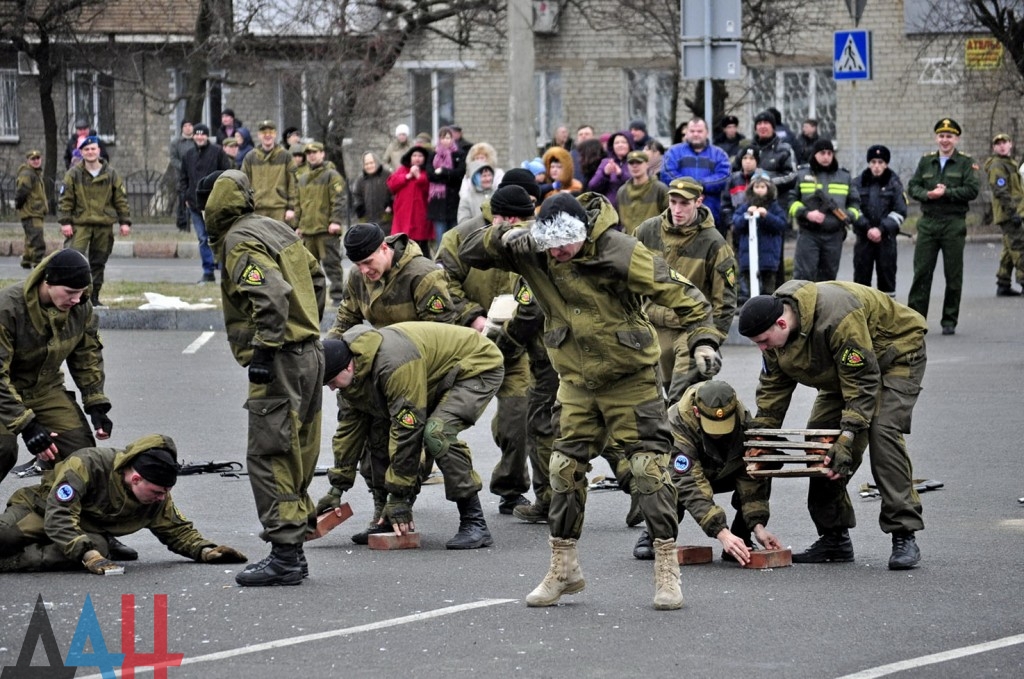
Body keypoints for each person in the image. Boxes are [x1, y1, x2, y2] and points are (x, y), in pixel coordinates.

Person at [459, 191, 724, 610]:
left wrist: (706, 341)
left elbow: (686, 296)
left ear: (583, 234)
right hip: (576, 380)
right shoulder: (537, 247)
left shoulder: (621, 252)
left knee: (648, 469)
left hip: (630, 378)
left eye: (567, 244)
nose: (559, 253)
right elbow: (468, 248)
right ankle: (564, 569)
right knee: (563, 469)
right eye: (552, 245)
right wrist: (507, 236)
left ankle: (666, 569)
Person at [737, 282, 927, 570]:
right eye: (758, 344)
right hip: (844, 371)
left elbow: (862, 382)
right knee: (821, 445)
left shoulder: (838, 317)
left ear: (781, 322)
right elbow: (773, 388)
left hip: (894, 356)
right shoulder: (773, 331)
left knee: (882, 434)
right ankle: (834, 537)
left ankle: (904, 532)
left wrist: (848, 436)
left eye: (764, 340)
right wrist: (763, 436)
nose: (762, 348)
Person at [201, 169, 326, 586]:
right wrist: (307, 323)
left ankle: (285, 554)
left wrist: (267, 347)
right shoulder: (275, 227)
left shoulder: (238, 239)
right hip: (310, 354)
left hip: (281, 361)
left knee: (269, 453)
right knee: (297, 451)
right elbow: (318, 278)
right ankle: (293, 551)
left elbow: (271, 294)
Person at [318, 223, 460, 534]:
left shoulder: (422, 274)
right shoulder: (358, 277)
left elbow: (444, 331)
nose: (364, 270)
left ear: (386, 248)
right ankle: (382, 510)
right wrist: (326, 363)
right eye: (357, 264)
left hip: (427, 367)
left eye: (368, 262)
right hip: (381, 365)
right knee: (370, 437)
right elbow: (344, 322)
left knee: (417, 439)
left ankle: (408, 503)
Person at [321, 323, 503, 549]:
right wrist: (337, 487)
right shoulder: (351, 382)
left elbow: (407, 432)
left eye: (331, 381)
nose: (331, 388)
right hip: (430, 375)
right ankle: (385, 517)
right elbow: (349, 433)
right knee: (376, 432)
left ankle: (474, 522)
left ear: (348, 368)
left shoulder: (394, 365)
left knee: (437, 433)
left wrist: (399, 496)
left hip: (474, 365)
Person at [0, 434, 247, 573]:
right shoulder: (88, 464)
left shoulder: (155, 493)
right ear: (136, 478)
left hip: (82, 529)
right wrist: (89, 555)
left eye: (167, 491)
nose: (162, 497)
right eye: (158, 491)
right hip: (40, 510)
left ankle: (11, 563)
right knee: (5, 537)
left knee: (97, 546)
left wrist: (205, 550)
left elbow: (176, 529)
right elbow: (59, 515)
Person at [438, 185, 538, 517]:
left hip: (514, 344)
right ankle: (408, 482)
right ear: (502, 214)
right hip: (468, 345)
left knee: (517, 417)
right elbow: (444, 282)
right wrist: (472, 316)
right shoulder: (461, 237)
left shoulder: (530, 234)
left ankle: (510, 488)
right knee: (439, 417)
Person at [633, 381, 780, 564]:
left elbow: (748, 475)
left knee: (759, 468)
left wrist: (758, 526)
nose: (719, 433)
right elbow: (688, 483)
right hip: (684, 475)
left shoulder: (742, 420)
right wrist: (721, 532)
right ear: (696, 412)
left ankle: (742, 538)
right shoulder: (676, 423)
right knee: (665, 483)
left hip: (721, 469)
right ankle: (656, 534)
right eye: (713, 425)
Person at [0, 250, 112, 486]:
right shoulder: (8, 309)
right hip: (4, 390)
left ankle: (52, 512)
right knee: (4, 448)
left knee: (81, 455)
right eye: (70, 292)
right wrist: (27, 426)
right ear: (48, 281)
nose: (76, 299)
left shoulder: (80, 307)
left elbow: (87, 355)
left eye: (81, 292)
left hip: (44, 388)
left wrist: (96, 404)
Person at [635, 177, 736, 403]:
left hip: (690, 329)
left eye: (685, 203)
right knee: (647, 400)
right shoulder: (647, 231)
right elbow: (626, 277)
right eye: (673, 202)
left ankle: (683, 435)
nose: (677, 209)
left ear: (698, 202)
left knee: (681, 399)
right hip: (652, 325)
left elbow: (725, 301)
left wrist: (709, 342)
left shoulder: (714, 243)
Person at [907, 118, 980, 335]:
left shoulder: (966, 163)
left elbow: (972, 190)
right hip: (928, 222)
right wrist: (928, 194)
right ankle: (915, 321)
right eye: (941, 136)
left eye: (949, 136)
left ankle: (949, 319)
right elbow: (913, 187)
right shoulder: (926, 161)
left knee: (953, 274)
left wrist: (946, 192)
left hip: (953, 223)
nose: (945, 140)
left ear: (956, 139)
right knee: (921, 272)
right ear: (936, 138)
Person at [57, 135, 131, 307]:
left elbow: (120, 199)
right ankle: (73, 297)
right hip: (80, 224)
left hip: (103, 225)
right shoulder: (74, 174)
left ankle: (94, 297)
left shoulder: (111, 174)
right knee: (74, 259)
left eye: (93, 149)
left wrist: (124, 221)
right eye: (86, 149)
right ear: (81, 152)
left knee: (98, 262)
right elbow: (65, 199)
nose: (90, 152)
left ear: (99, 151)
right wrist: (65, 222)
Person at [789, 139, 861, 282]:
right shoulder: (802, 175)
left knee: (828, 279)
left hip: (834, 235)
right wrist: (807, 214)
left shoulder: (844, 176)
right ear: (815, 154)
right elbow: (791, 202)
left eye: (829, 153)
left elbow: (855, 202)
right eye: (822, 153)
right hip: (809, 234)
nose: (826, 156)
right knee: (804, 277)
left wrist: (849, 215)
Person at [178, 123, 234, 284]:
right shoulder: (188, 155)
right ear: (193, 136)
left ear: (207, 136)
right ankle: (208, 271)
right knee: (203, 238)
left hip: (215, 205)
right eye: (197, 134)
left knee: (220, 237)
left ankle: (225, 271)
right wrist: (186, 198)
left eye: (203, 134)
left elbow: (227, 174)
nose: (200, 137)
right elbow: (183, 179)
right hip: (195, 205)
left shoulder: (217, 153)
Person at [852, 145, 908, 297]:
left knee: (887, 280)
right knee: (861, 281)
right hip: (864, 239)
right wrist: (867, 227)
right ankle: (862, 316)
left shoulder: (894, 184)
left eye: (881, 162)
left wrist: (881, 229)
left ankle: (887, 317)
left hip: (886, 240)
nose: (877, 166)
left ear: (886, 164)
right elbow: (853, 208)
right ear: (869, 163)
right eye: (874, 162)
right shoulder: (858, 183)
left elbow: (901, 211)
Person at [294, 141, 346, 304]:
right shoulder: (302, 178)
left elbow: (339, 200)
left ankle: (337, 296)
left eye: (315, 152)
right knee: (308, 268)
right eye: (309, 153)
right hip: (308, 231)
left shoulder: (332, 175)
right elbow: (298, 203)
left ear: (322, 154)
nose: (312, 155)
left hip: (326, 229)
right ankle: (311, 297)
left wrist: (335, 221)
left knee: (332, 265)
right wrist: (297, 225)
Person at [661, 118, 731, 227]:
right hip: (679, 216)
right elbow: (667, 173)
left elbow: (724, 177)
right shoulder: (673, 152)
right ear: (686, 133)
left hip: (711, 214)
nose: (695, 134)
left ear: (707, 133)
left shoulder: (719, 154)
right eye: (692, 131)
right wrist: (690, 189)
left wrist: (700, 186)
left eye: (699, 131)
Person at [731, 170, 787, 304]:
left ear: (769, 189)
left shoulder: (774, 207)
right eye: (757, 187)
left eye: (763, 187)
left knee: (768, 293)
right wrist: (747, 215)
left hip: (769, 259)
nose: (759, 190)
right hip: (748, 258)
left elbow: (781, 225)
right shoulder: (745, 207)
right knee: (751, 292)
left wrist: (766, 216)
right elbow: (736, 224)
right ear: (751, 189)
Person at [983, 133, 1024, 297]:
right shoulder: (998, 165)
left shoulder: (1010, 164)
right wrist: (1013, 212)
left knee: (1010, 248)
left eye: (1004, 142)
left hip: (1016, 212)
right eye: (998, 143)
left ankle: (1003, 283)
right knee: (1019, 247)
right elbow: (1001, 191)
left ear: (1010, 144)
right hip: (1009, 214)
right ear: (994, 147)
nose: (1002, 146)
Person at [241, 119, 298, 222]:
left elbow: (292, 183)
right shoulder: (250, 157)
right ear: (258, 135)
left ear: (275, 134)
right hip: (256, 209)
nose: (267, 135)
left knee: (278, 238)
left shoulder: (285, 156)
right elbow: (243, 184)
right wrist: (245, 206)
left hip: (279, 209)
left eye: (270, 132)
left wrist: (291, 208)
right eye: (264, 132)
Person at [387, 146, 434, 256]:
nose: (417, 158)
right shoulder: (403, 169)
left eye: (420, 156)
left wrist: (418, 177)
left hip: (420, 216)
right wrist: (407, 176)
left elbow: (429, 189)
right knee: (402, 248)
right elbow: (391, 184)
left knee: (421, 249)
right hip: (403, 216)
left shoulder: (427, 171)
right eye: (414, 155)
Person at [426, 127, 466, 246]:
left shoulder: (459, 154)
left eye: (448, 137)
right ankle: (440, 263)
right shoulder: (434, 155)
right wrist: (449, 175)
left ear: (452, 139)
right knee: (441, 238)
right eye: (443, 138)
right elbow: (430, 175)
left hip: (454, 201)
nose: (446, 141)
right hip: (438, 203)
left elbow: (459, 174)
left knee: (454, 238)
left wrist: (443, 172)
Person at [616, 150, 669, 234]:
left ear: (647, 164)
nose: (635, 166)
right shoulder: (622, 192)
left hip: (653, 242)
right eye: (631, 163)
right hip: (629, 242)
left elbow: (669, 218)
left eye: (639, 162)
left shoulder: (660, 189)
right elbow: (618, 222)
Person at [14, 149, 47, 269]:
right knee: (37, 239)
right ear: (28, 160)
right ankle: (38, 264)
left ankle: (26, 260)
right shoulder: (28, 174)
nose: (36, 161)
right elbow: (22, 192)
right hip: (31, 211)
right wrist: (18, 205)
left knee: (30, 237)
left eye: (38, 158)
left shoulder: (34, 173)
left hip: (34, 211)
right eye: (33, 159)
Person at [722, 146, 761, 242]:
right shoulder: (733, 180)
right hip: (737, 228)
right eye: (745, 158)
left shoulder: (763, 179)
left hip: (759, 229)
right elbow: (726, 205)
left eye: (752, 158)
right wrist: (731, 224)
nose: (748, 161)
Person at [587, 130, 634, 207]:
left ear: (630, 144)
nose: (620, 145)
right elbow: (592, 186)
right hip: (610, 209)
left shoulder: (635, 162)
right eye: (616, 143)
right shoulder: (606, 162)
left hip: (630, 207)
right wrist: (605, 174)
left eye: (624, 142)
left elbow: (638, 183)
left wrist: (620, 174)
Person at [352, 151, 393, 233]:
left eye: (371, 163)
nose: (369, 166)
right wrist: (360, 211)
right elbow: (357, 196)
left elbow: (394, 192)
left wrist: (390, 204)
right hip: (368, 223)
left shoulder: (387, 175)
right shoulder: (360, 180)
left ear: (376, 162)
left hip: (387, 221)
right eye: (366, 164)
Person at [169, 120, 195, 233]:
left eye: (190, 125)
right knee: (182, 200)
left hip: (196, 175)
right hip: (182, 177)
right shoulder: (176, 142)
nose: (188, 128)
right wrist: (184, 167)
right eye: (185, 126)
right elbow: (173, 159)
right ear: (182, 128)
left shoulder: (197, 141)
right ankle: (182, 225)